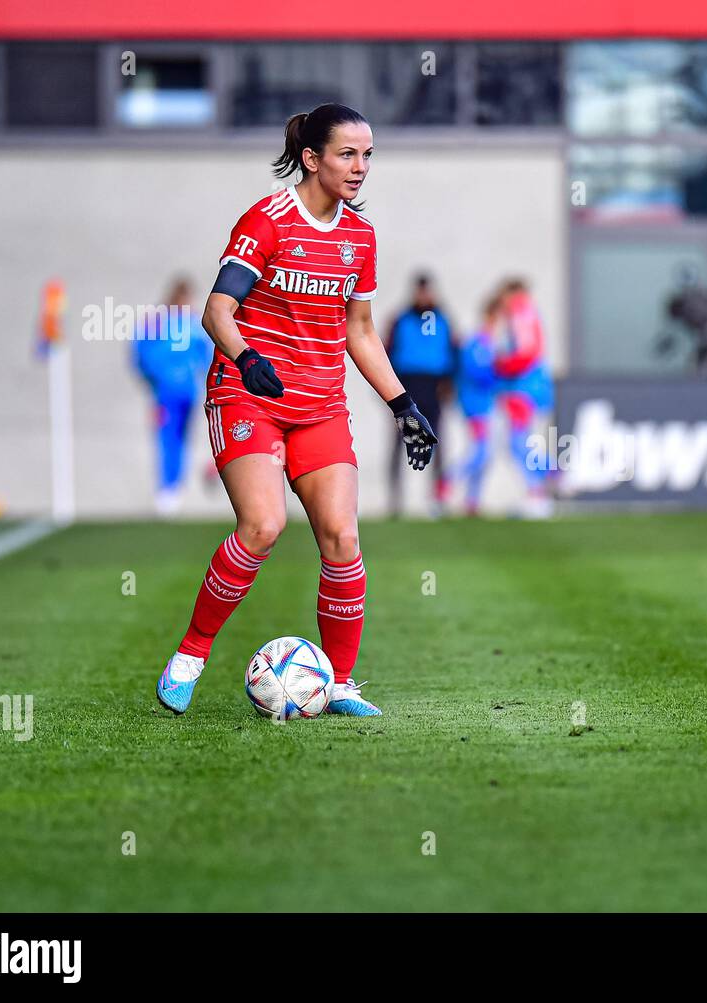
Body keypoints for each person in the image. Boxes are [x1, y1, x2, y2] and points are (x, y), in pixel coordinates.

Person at [155, 103, 437, 717]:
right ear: (312, 158)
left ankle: (339, 684)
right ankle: (191, 654)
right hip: (248, 394)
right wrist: (247, 358)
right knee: (263, 526)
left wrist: (401, 404)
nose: (360, 167)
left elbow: (359, 332)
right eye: (347, 154)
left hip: (319, 406)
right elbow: (216, 311)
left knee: (341, 536)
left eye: (367, 155)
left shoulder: (359, 238)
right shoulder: (268, 220)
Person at [132, 277, 211, 515]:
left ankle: (175, 488)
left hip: (189, 391)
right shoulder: (156, 322)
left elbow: (206, 353)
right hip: (165, 393)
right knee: (167, 439)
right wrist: (154, 379)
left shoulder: (195, 322)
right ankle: (167, 490)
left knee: (183, 438)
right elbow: (141, 353)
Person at [384, 273, 456, 516]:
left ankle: (437, 499)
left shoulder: (443, 320)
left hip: (433, 387)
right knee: (399, 442)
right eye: (420, 291)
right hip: (406, 388)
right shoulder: (400, 320)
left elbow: (453, 354)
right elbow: (385, 355)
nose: (424, 296)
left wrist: (448, 385)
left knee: (436, 440)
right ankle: (395, 500)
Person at [493, 279, 555, 519]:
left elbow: (526, 353)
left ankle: (541, 487)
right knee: (520, 441)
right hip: (526, 385)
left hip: (524, 387)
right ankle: (546, 479)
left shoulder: (521, 312)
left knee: (518, 441)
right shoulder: (525, 312)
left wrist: (501, 365)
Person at [439, 296, 500, 516]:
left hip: (484, 403)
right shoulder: (476, 344)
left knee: (485, 454)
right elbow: (476, 373)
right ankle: (447, 481)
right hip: (475, 404)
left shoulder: (488, 344)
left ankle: (472, 501)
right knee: (480, 452)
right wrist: (501, 373)